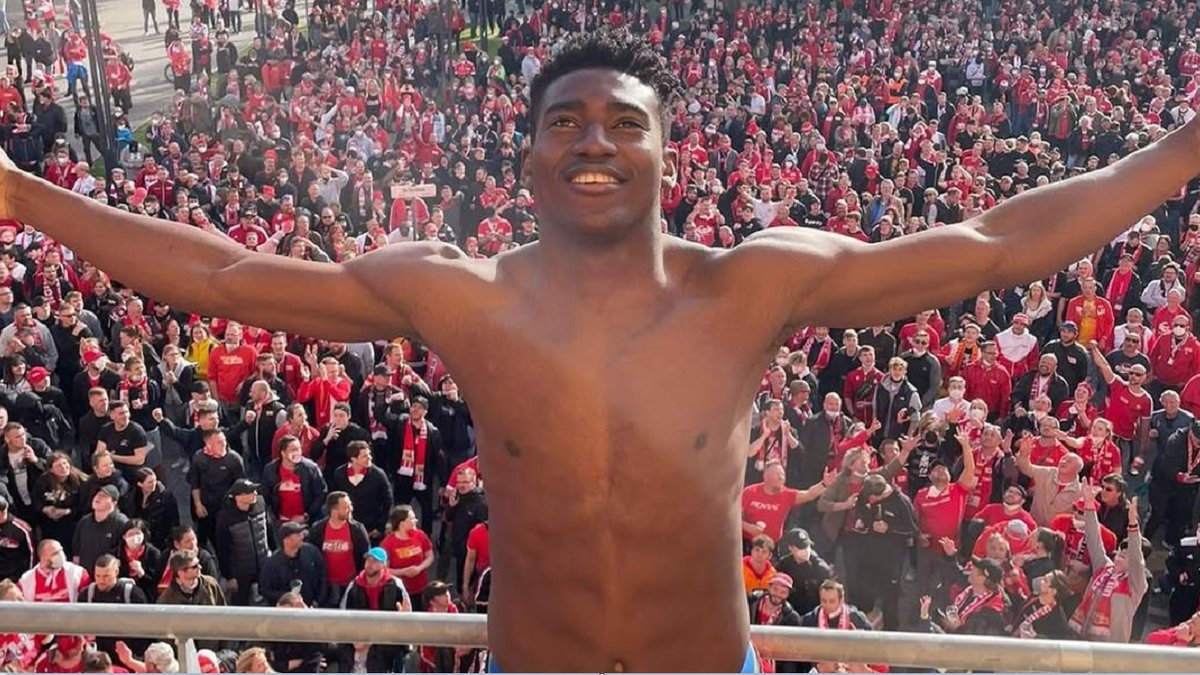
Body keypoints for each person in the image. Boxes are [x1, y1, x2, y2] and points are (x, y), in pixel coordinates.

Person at [4, 28, 1200, 672]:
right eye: (566, 122)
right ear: (526, 156)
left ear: (668, 155)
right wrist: (19, 193)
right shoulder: (462, 297)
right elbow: (223, 277)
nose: (595, 142)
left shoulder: (751, 286)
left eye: (626, 123)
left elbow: (992, 245)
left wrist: (1182, 150)